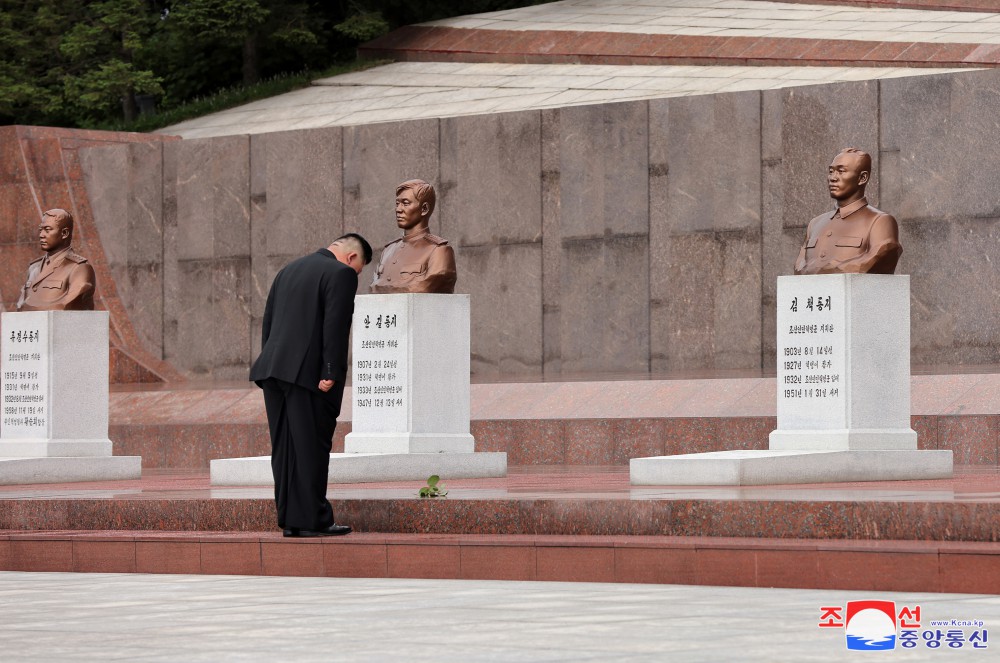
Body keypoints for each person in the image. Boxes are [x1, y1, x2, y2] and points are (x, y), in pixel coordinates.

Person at [250, 233, 373, 537]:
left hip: (273, 370)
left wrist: (272, 361)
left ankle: (292, 520)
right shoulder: (341, 273)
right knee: (311, 447)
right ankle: (315, 519)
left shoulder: (287, 271)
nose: (355, 275)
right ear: (352, 258)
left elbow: (268, 322)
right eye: (359, 270)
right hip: (310, 376)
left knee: (285, 448)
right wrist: (330, 369)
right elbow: (335, 324)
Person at [794, 148, 902, 275]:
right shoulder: (815, 224)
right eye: (831, 171)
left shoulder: (880, 222)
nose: (832, 178)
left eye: (841, 171)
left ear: (862, 178)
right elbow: (799, 267)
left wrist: (830, 270)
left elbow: (881, 255)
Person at [369, 179, 457, 293]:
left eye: (405, 203)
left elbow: (423, 287)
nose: (398, 209)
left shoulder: (439, 251)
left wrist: (381, 288)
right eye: (397, 204)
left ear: (424, 209)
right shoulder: (388, 251)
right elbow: (372, 288)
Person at [16, 208, 96, 311]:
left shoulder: (79, 268)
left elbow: (66, 304)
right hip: (31, 325)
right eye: (41, 230)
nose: (41, 235)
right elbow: (21, 305)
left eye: (47, 230)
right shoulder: (33, 268)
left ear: (64, 233)